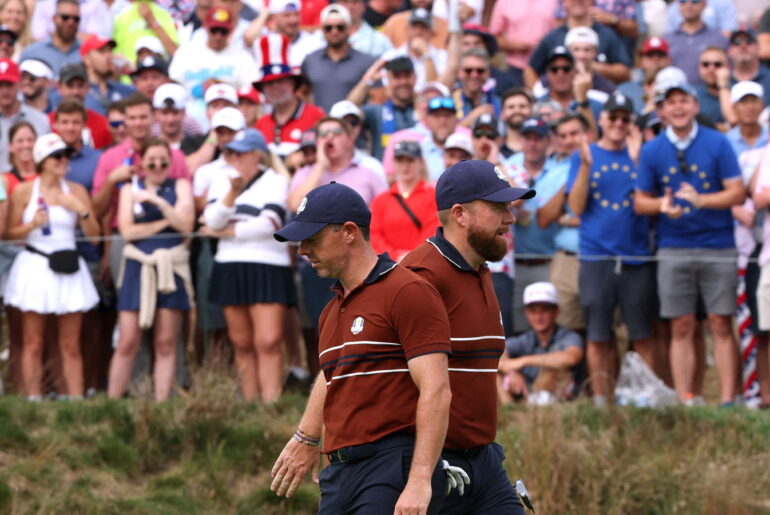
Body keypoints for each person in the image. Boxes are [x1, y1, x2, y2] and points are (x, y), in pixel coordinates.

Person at [270, 182, 452, 513]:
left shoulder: (407, 291)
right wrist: (309, 439)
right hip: (340, 472)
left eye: (313, 239)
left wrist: (419, 480)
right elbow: (333, 381)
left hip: (390, 466)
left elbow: (437, 390)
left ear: (350, 232)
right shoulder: (330, 310)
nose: (303, 250)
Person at [401, 159, 533, 514]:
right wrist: (313, 438)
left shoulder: (481, 270)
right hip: (434, 465)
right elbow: (352, 362)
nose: (511, 218)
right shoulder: (418, 277)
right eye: (499, 208)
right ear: (460, 214)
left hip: (483, 459)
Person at [635, 81, 745, 406]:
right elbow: (641, 202)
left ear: (696, 106)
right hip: (673, 245)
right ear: (662, 111)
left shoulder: (718, 142)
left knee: (721, 321)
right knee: (680, 324)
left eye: (684, 100)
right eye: (672, 103)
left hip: (718, 243)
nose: (679, 107)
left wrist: (702, 201)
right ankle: (686, 398)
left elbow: (737, 192)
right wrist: (661, 207)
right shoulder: (652, 149)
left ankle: (728, 400)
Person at [568, 92, 658, 405]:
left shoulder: (643, 155)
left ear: (631, 123)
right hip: (596, 256)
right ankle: (600, 401)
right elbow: (576, 207)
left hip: (635, 257)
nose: (619, 123)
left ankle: (645, 397)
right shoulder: (585, 154)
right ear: (602, 119)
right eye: (613, 117)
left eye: (625, 118)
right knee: (598, 334)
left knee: (642, 333)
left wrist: (637, 161)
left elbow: (650, 201)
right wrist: (585, 168)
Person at [4, 133, 100, 400]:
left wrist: (80, 210)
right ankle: (33, 398)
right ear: (42, 161)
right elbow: (10, 234)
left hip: (68, 264)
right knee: (33, 341)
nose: (63, 161)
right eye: (57, 156)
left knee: (71, 344)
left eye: (66, 155)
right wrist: (31, 225)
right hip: (36, 265)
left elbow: (94, 235)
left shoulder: (77, 191)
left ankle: (76, 401)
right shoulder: (24, 191)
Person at [202, 129, 294, 403]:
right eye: (230, 152)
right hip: (230, 265)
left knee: (268, 340)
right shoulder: (222, 180)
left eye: (239, 152)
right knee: (241, 343)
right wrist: (231, 193)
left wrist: (227, 233)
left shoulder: (276, 181)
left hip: (268, 265)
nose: (233, 157)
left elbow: (270, 224)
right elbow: (212, 218)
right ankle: (250, 405)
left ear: (257, 154)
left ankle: (271, 403)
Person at [108, 138, 194, 401]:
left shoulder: (180, 185)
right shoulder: (128, 190)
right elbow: (128, 232)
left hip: (171, 266)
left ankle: (161, 405)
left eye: (163, 161)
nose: (157, 166)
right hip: (138, 265)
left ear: (170, 162)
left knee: (166, 342)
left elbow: (186, 226)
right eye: (151, 161)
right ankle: (112, 402)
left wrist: (158, 204)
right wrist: (164, 223)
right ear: (141, 164)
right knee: (128, 339)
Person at [508, 117, 562, 333]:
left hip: (548, 259)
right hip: (515, 260)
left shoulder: (558, 171)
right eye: (527, 138)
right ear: (520, 140)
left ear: (548, 142)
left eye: (537, 139)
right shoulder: (507, 165)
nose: (532, 144)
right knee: (517, 323)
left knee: (549, 324)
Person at [169, 6, 259, 130]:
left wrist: (224, 87)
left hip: (228, 125)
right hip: (188, 123)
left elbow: (252, 95)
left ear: (232, 30)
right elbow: (173, 85)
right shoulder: (186, 52)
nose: (218, 36)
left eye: (223, 31)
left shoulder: (243, 58)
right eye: (214, 30)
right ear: (205, 27)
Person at [498, 281, 584, 404]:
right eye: (533, 311)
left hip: (558, 400)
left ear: (556, 311)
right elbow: (496, 352)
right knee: (496, 376)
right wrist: (511, 372)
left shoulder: (569, 336)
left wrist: (523, 361)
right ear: (526, 313)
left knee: (554, 370)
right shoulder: (525, 339)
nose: (538, 317)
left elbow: (571, 358)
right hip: (525, 394)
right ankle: (510, 413)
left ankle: (538, 410)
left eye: (544, 310)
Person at [525, 0, 631, 87]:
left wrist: (593, 67)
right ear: (564, 2)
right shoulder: (553, 37)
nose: (578, 1)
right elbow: (530, 69)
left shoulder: (607, 34)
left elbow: (625, 72)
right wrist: (539, 95)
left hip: (600, 97)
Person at [253, 33, 324, 158]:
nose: (275, 87)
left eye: (281, 81)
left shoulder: (316, 117)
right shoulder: (261, 124)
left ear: (292, 83)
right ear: (263, 89)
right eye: (269, 83)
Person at [370, 140, 438, 260]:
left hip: (421, 264)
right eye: (400, 161)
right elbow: (374, 235)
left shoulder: (433, 196)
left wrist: (411, 257)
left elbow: (432, 232)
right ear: (394, 163)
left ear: (420, 162)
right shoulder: (381, 200)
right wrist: (395, 256)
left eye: (410, 160)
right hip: (387, 266)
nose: (405, 166)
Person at [301, 4, 374, 114]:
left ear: (349, 28)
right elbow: (301, 93)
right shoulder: (310, 60)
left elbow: (377, 98)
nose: (334, 31)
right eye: (328, 28)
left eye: (340, 27)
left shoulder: (366, 61)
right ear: (322, 30)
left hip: (353, 127)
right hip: (318, 126)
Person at [347, 55, 419, 160]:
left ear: (415, 77)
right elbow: (347, 107)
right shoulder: (377, 112)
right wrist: (368, 80)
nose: (403, 82)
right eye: (397, 77)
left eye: (407, 76)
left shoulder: (426, 110)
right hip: (384, 173)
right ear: (388, 78)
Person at [488, 0, 557, 87]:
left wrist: (544, 46)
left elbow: (562, 31)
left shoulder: (556, 2)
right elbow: (492, 39)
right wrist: (516, 46)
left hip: (549, 68)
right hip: (515, 68)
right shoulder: (505, 2)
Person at [0, 58, 50, 172]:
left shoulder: (40, 120)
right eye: (0, 85)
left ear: (19, 84)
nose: (4, 91)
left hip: (31, 184)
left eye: (9, 84)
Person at [49, 63, 113, 149]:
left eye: (80, 85)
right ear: (59, 87)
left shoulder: (103, 123)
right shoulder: (46, 122)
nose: (76, 91)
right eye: (70, 85)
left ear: (87, 87)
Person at [664, 0, 727, 85]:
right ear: (678, 5)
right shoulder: (666, 40)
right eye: (683, 1)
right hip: (675, 94)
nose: (688, 5)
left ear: (705, 4)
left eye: (695, 1)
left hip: (709, 95)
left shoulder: (718, 39)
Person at [19, 0, 82, 75]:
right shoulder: (33, 52)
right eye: (65, 17)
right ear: (54, 18)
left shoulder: (86, 54)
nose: (70, 22)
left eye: (76, 19)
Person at [80, 34, 135, 115]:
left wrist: (133, 74)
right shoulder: (78, 92)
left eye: (110, 51)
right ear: (86, 59)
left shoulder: (125, 90)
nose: (108, 55)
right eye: (102, 51)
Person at [618, 36, 672, 116]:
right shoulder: (626, 90)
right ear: (642, 60)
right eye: (650, 55)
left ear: (669, 60)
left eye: (660, 55)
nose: (655, 59)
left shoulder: (679, 90)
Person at [695, 46, 729, 127]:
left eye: (717, 64)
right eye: (705, 64)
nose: (711, 69)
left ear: (727, 67)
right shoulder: (692, 95)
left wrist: (723, 86)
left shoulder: (737, 92)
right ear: (699, 67)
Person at [500, 87, 534, 159]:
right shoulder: (496, 149)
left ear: (531, 111)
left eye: (522, 106)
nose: (517, 110)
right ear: (502, 114)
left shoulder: (541, 148)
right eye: (511, 107)